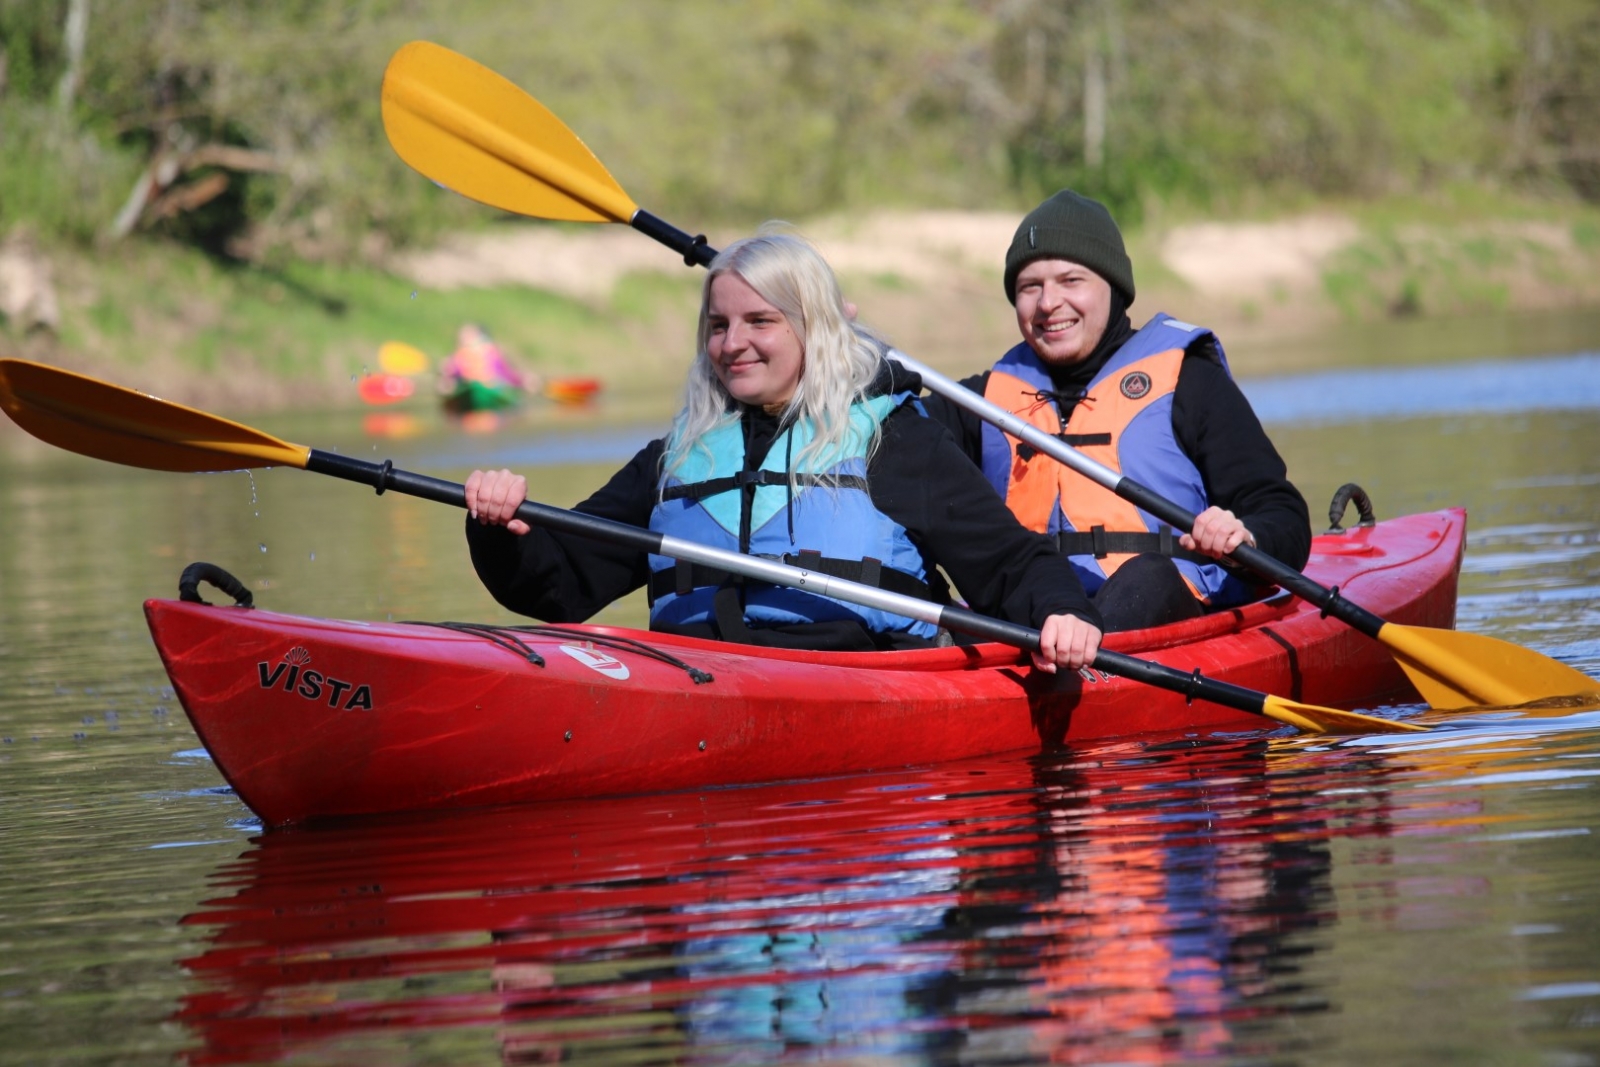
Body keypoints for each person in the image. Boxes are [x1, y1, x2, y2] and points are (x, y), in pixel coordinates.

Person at [464, 230, 1103, 672]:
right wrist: (503, 529)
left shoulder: (891, 439)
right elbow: (561, 586)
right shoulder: (677, 459)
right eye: (718, 326)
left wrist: (1062, 614)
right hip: (696, 679)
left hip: (854, 687)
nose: (733, 343)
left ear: (811, 330)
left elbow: (1010, 562)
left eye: (759, 322)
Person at [923, 190, 1311, 633]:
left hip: (1161, 617)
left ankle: (1085, 666)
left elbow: (1283, 515)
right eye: (1031, 286)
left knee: (1150, 574)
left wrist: (1246, 535)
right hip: (1031, 623)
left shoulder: (1189, 381)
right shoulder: (981, 402)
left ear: (1114, 288)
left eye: (1071, 281)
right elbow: (883, 435)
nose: (1049, 303)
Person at [438, 323, 537, 413]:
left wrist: (522, 381)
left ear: (481, 337)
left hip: (494, 386)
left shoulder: (492, 353)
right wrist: (446, 380)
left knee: (502, 386)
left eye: (470, 336)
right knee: (451, 387)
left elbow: (507, 373)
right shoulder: (458, 357)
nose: (466, 340)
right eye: (463, 338)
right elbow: (451, 374)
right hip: (468, 386)